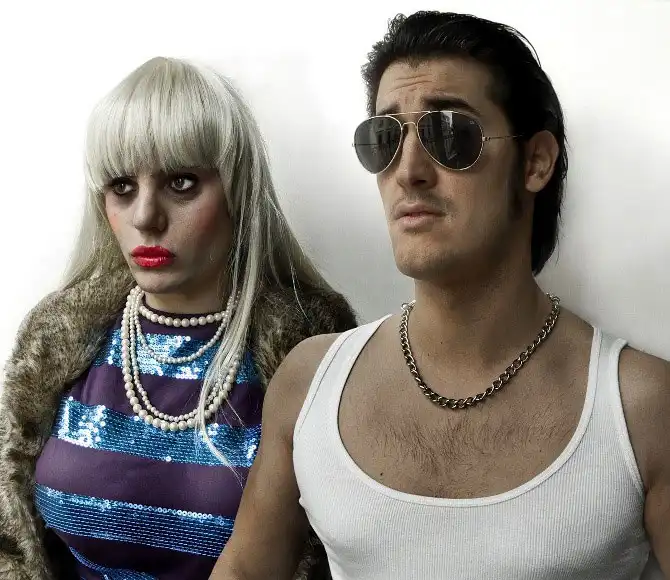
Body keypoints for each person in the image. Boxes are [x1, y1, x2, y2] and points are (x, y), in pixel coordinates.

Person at [210, 11, 669, 580]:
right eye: (384, 138)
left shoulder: (641, 409)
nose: (409, 171)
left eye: (450, 133)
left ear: (535, 161)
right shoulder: (310, 384)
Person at [0, 57, 356, 580]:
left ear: (237, 191)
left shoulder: (311, 355)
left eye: (181, 182)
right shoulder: (58, 344)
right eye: (122, 187)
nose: (146, 216)